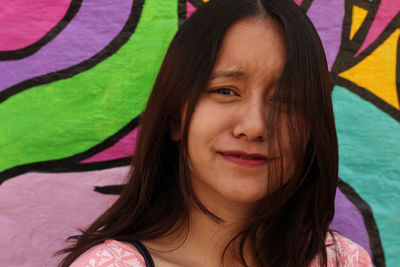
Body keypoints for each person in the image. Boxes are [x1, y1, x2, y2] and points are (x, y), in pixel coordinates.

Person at [57, 0, 373, 266]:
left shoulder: (342, 261)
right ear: (175, 119)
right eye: (225, 90)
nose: (254, 127)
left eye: (286, 100)